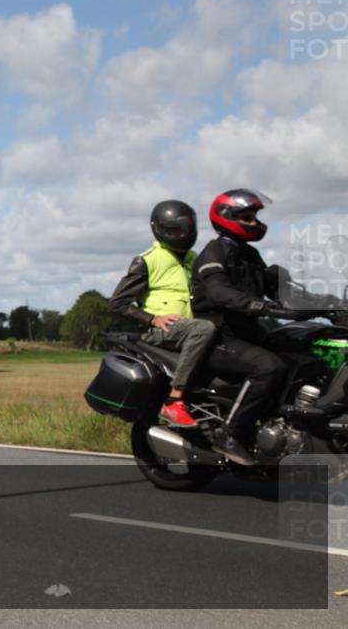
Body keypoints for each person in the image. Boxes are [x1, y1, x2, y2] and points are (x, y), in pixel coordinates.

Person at [191, 189, 287, 466]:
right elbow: (218, 291)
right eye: (247, 218)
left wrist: (326, 303)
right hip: (219, 337)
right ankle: (229, 434)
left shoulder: (250, 254)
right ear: (226, 217)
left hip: (247, 334)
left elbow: (279, 289)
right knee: (268, 367)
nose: (255, 223)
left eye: (255, 217)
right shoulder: (214, 252)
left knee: (303, 353)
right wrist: (259, 306)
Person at [110, 200, 217, 428]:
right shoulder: (147, 260)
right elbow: (118, 303)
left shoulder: (193, 258)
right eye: (176, 230)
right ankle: (174, 400)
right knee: (204, 329)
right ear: (161, 230)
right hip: (163, 330)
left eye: (187, 228)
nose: (183, 234)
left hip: (189, 328)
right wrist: (152, 319)